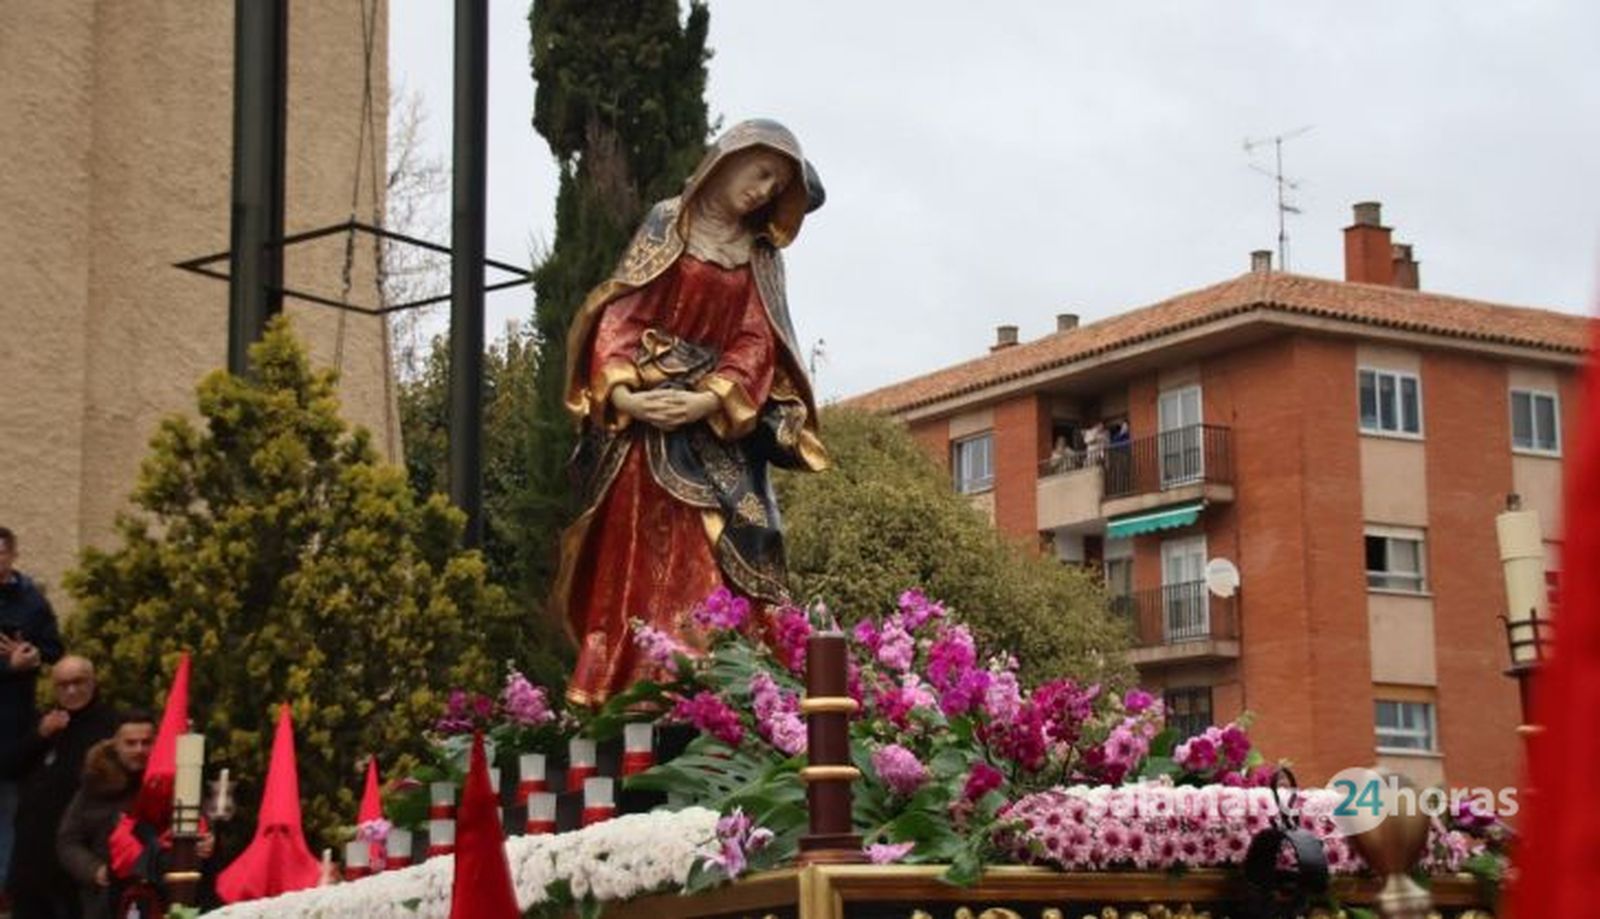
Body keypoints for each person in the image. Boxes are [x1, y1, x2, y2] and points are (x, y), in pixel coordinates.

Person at [552, 120, 828, 707]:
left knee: (742, 542)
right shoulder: (667, 222)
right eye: (761, 173)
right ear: (729, 159)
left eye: (776, 187)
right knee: (641, 558)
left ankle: (723, 687)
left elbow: (757, 340)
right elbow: (622, 315)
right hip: (647, 433)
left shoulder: (760, 256)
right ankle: (639, 683)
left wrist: (709, 398)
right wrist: (626, 396)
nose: (762, 190)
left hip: (720, 433)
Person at [7, 656, 117, 919]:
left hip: (79, 846)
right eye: (63, 685)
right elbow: (9, 767)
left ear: (93, 682)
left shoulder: (111, 725)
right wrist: (40, 735)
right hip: (34, 846)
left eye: (78, 682)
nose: (71, 690)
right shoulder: (46, 721)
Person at [0, 526, 66, 898]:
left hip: (14, 725)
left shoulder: (32, 601)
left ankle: (7, 892)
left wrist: (34, 656)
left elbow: (55, 648)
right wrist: (8, 666)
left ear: (13, 555)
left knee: (11, 811)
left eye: (0, 553)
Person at [57, 712, 154, 919]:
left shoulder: (167, 783)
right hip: (105, 898)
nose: (139, 750)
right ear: (116, 744)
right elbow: (68, 841)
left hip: (157, 892)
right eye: (131, 743)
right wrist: (94, 870)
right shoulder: (95, 785)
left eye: (146, 742)